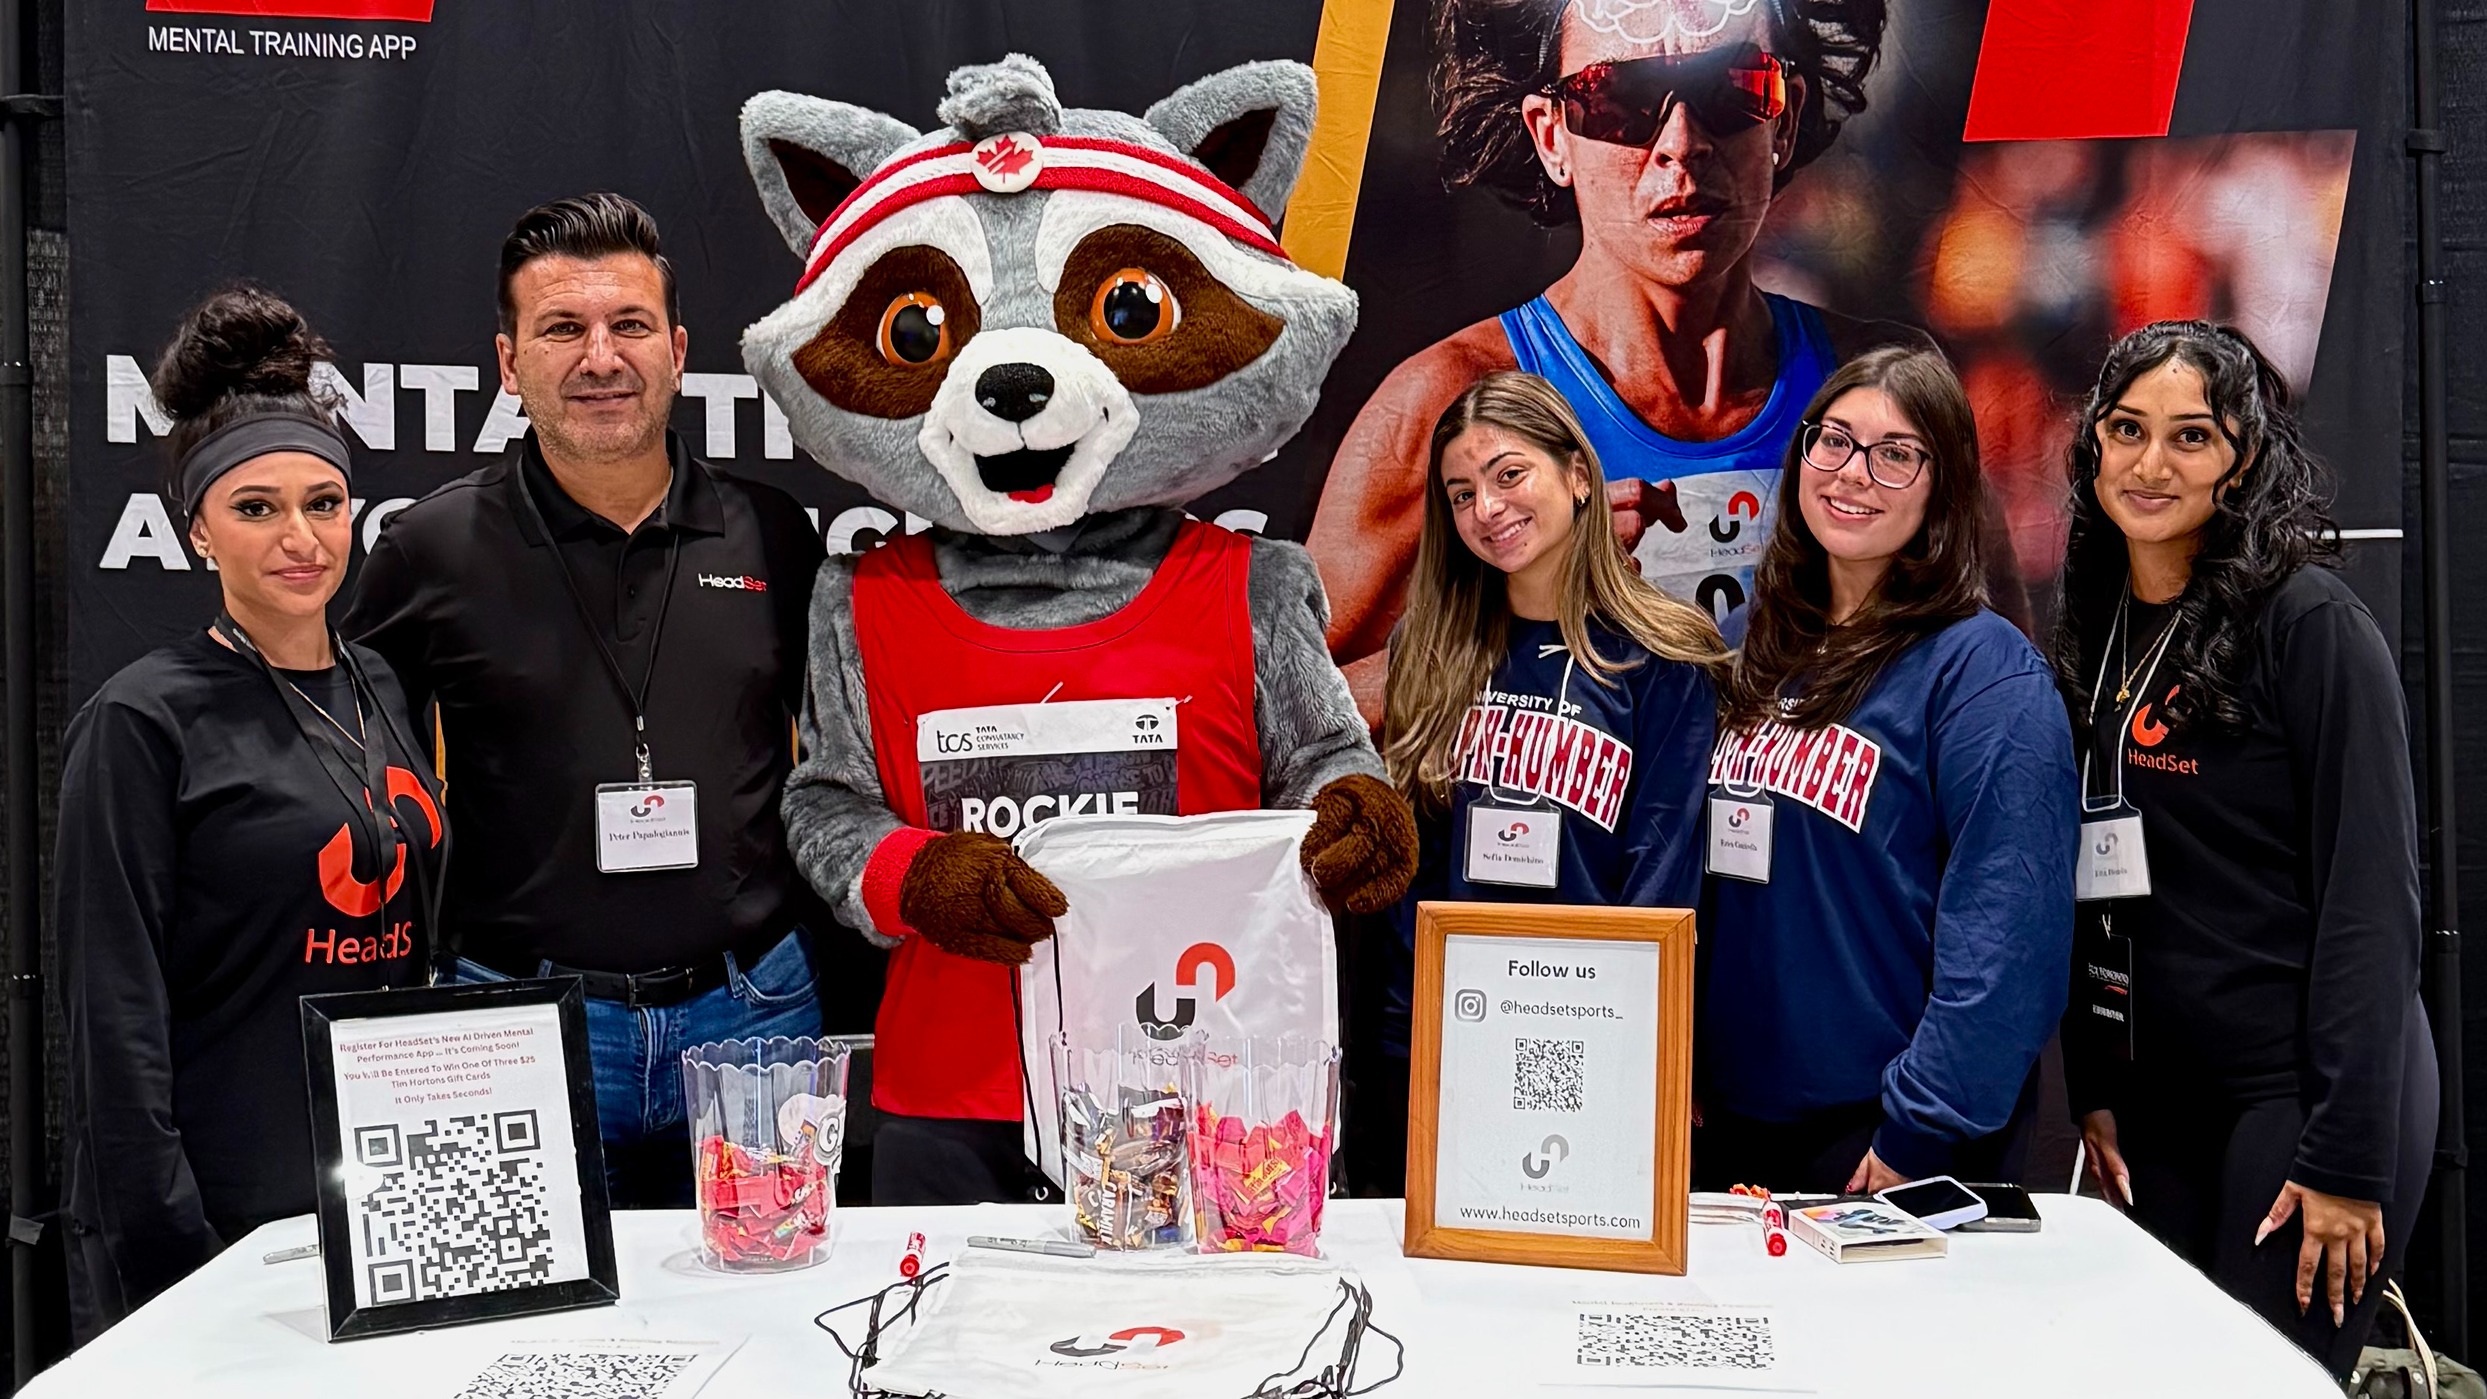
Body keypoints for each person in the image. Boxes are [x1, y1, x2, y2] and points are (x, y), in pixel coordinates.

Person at [346, 193, 830, 1207]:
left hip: (751, 1015)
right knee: (532, 1336)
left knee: (768, 1297)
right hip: (518, 1014)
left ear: (679, 349)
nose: (600, 357)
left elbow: (835, 766)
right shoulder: (428, 552)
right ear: (509, 364)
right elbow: (353, 775)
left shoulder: (775, 536)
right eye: (563, 328)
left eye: (630, 326)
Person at [1311, 0, 1914, 718]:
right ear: (1550, 137)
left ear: (1782, 120)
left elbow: (1994, 709)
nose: (1680, 143)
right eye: (1615, 100)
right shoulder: (1448, 405)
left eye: (1733, 87)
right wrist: (1498, 635)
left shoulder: (1883, 389)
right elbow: (1283, 728)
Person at [59, 288, 444, 1339]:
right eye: (257, 508)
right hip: (226, 1218)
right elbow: (113, 1013)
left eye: (323, 503)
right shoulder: (142, 719)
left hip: (384, 1199)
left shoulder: (383, 687)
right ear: (197, 530)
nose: (301, 539)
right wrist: (165, 1240)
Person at [2052, 322, 2435, 1374]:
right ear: (2092, 444)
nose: (2149, 463)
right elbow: (2096, 881)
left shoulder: (2311, 624)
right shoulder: (2098, 617)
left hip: (2303, 1091)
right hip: (2157, 1097)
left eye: (2190, 437)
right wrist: (2096, 1079)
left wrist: (2349, 1153)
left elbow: (2372, 901)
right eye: (2126, 431)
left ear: (2246, 458)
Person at [1696, 344, 2074, 1195]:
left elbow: (2008, 936)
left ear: (1943, 486)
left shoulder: (1984, 674)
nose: (1852, 473)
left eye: (1895, 454)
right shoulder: (1746, 650)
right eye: (1833, 441)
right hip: (1732, 1131)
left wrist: (1921, 1127)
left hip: (1884, 1144)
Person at [1355, 371, 1724, 1193]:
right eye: (1460, 492)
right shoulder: (1434, 638)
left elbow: (1662, 874)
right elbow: (1420, 862)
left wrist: (1641, 1042)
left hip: (1585, 1030)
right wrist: (1408, 1030)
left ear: (1578, 476)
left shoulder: (1663, 651)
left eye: (1508, 474)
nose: (1486, 508)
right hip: (1441, 1029)